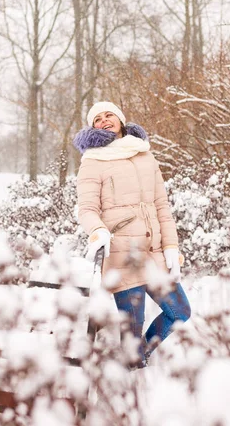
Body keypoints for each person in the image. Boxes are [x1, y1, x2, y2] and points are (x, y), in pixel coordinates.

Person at [73, 101, 191, 368]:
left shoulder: (144, 155)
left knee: (181, 312)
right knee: (132, 337)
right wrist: (98, 230)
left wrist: (171, 245)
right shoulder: (92, 161)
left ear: (120, 118)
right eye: (97, 119)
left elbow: (162, 205)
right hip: (122, 257)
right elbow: (87, 209)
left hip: (153, 252)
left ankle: (141, 356)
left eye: (108, 115)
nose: (104, 120)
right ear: (93, 127)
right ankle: (133, 373)